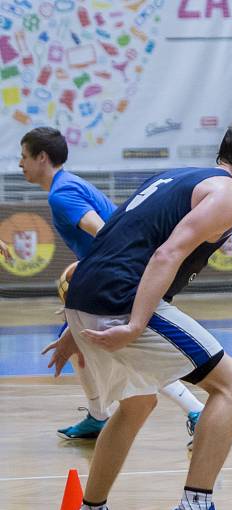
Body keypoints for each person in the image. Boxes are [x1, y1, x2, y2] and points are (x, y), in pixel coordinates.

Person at [42, 115, 232, 510]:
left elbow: (113, 239)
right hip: (119, 296)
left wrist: (75, 324)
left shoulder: (177, 176)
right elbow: (166, 252)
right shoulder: (227, 195)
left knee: (137, 402)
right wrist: (135, 323)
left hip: (87, 291)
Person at [19, 127, 204, 446]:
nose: (20, 164)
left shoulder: (62, 194)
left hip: (117, 279)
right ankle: (97, 416)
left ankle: (196, 410)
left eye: (24, 157)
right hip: (112, 276)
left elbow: (103, 230)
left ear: (42, 158)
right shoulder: (69, 184)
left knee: (129, 353)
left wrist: (85, 269)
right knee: (80, 345)